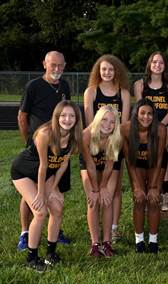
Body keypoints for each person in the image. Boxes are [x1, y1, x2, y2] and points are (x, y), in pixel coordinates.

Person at [11, 100, 83, 272]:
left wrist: (52, 189)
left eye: (71, 116)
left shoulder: (75, 137)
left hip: (48, 173)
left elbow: (63, 164)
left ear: (77, 119)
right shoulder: (45, 133)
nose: (67, 119)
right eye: (63, 115)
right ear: (56, 117)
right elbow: (42, 166)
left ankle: (51, 254)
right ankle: (32, 257)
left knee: (57, 207)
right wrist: (42, 193)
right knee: (41, 211)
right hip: (24, 171)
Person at [17, 50, 72, 252]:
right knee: (31, 193)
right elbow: (22, 117)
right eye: (53, 65)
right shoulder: (34, 86)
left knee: (55, 192)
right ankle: (25, 233)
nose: (57, 69)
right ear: (44, 64)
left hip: (58, 149)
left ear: (64, 66)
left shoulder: (65, 85)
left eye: (60, 65)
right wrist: (29, 141)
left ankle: (55, 231)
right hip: (39, 146)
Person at [84, 54, 131, 243]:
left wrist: (113, 142)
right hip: (95, 144)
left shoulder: (124, 93)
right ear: (98, 70)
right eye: (103, 69)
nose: (107, 73)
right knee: (95, 192)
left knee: (114, 191)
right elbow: (90, 122)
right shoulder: (92, 91)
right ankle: (96, 236)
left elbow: (125, 123)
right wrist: (98, 142)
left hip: (115, 144)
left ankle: (113, 228)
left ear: (116, 71)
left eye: (111, 69)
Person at [121, 99, 167, 254]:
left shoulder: (160, 129)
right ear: (136, 114)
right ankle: (139, 241)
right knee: (139, 199)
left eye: (149, 114)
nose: (146, 117)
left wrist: (154, 187)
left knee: (154, 200)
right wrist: (138, 187)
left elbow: (160, 158)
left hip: (155, 165)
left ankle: (153, 241)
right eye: (142, 113)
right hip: (137, 165)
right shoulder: (126, 129)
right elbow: (129, 161)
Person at [134, 51, 168, 212]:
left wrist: (159, 127)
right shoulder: (140, 85)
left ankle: (166, 196)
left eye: (161, 63)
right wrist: (149, 127)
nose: (158, 65)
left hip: (164, 125)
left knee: (162, 146)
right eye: (154, 62)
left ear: (165, 66)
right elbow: (139, 111)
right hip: (144, 125)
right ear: (149, 64)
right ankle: (143, 191)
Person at [80, 106, 122, 257]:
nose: (107, 124)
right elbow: (90, 165)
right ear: (97, 120)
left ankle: (107, 242)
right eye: (104, 119)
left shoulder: (116, 137)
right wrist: (96, 189)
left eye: (112, 122)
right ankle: (95, 244)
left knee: (107, 199)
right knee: (93, 200)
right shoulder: (85, 135)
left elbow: (110, 165)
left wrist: (103, 186)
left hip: (108, 166)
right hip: (89, 164)